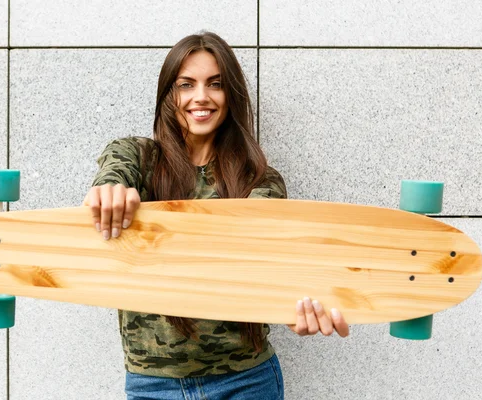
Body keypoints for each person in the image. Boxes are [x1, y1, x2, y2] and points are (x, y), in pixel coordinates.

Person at [83, 31, 350, 400]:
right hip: (151, 384)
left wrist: (295, 305)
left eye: (215, 84)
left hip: (244, 382)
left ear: (231, 95)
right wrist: (109, 190)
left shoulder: (261, 181)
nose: (201, 97)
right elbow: (115, 168)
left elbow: (269, 259)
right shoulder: (140, 158)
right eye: (186, 84)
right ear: (168, 95)